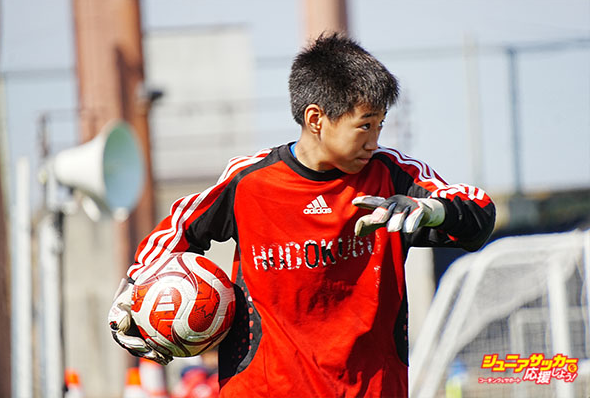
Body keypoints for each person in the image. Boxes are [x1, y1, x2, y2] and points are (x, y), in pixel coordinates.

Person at [109, 33, 495, 397]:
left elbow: (478, 211)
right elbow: (178, 228)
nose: (374, 141)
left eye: (380, 125)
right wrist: (135, 289)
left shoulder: (393, 176)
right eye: (364, 126)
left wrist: (433, 211)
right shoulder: (250, 182)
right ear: (315, 119)